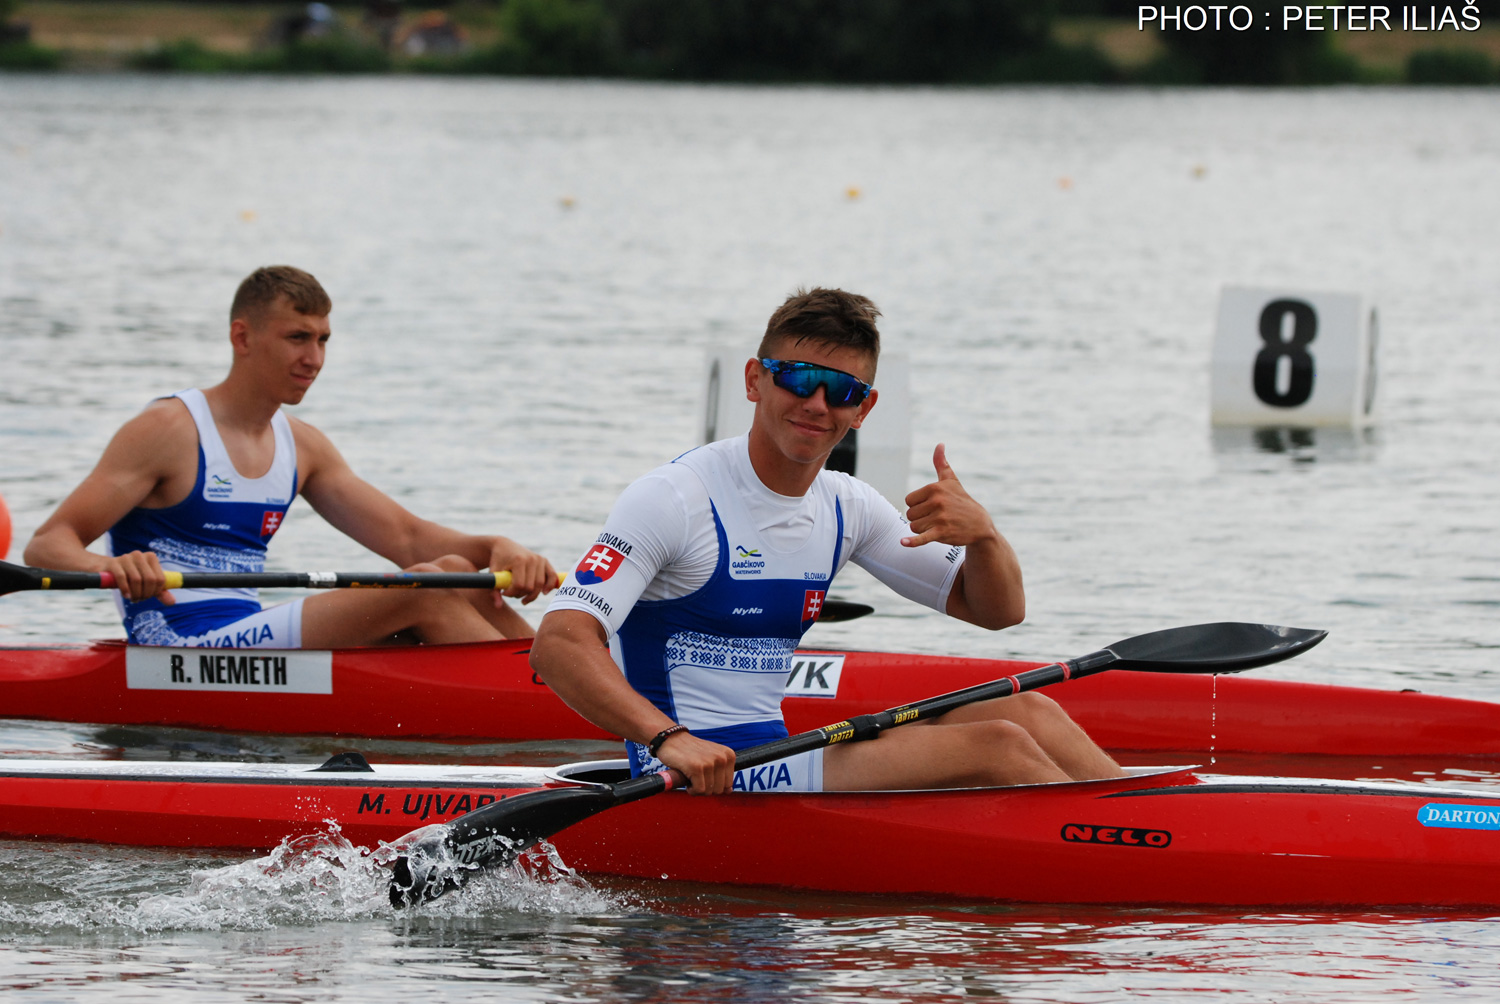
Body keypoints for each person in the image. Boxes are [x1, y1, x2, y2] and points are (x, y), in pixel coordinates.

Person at [530, 287, 1122, 794]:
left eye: (841, 390)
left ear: (863, 408)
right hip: (686, 771)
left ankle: (1147, 824)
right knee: (997, 746)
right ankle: (1125, 854)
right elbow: (559, 644)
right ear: (754, 380)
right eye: (798, 378)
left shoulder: (848, 505)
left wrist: (985, 536)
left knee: (1029, 712)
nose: (817, 404)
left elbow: (997, 611)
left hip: (772, 757)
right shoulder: (675, 499)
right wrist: (669, 738)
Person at [24, 265, 557, 649]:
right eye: (298, 338)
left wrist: (498, 547)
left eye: (323, 340)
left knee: (455, 571)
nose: (314, 358)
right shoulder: (167, 430)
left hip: (247, 632)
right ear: (242, 337)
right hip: (177, 640)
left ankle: (551, 682)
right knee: (426, 589)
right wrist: (110, 567)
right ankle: (544, 706)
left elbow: (408, 538)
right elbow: (48, 544)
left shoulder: (304, 447)